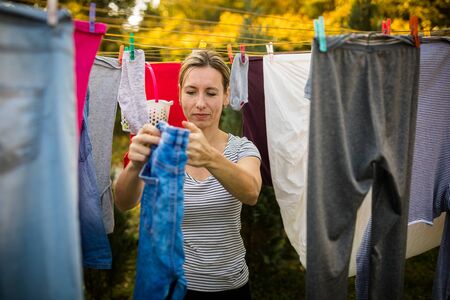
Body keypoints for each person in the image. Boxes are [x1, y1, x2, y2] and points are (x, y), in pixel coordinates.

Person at [114, 49, 262, 299]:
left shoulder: (241, 148)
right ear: (180, 94)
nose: (200, 103)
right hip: (175, 287)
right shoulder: (162, 148)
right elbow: (124, 202)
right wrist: (136, 165)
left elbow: (251, 192)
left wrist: (211, 158)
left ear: (226, 96)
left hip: (232, 287)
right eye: (191, 92)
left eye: (211, 93)